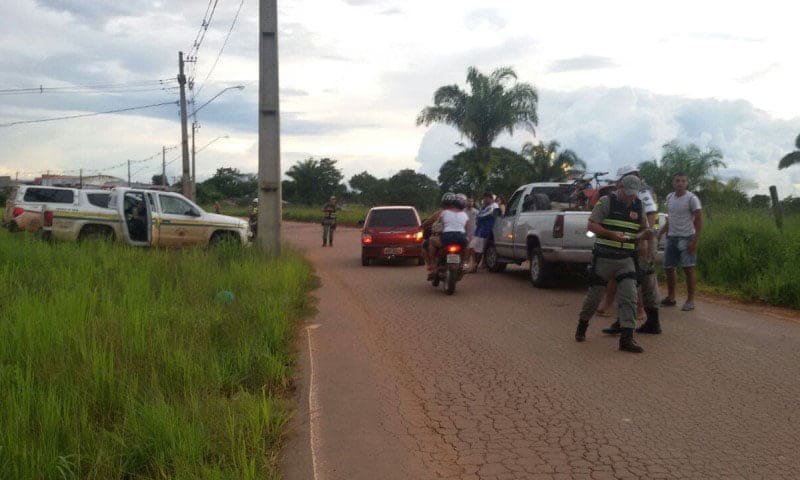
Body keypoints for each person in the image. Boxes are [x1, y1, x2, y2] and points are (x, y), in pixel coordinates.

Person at [574, 175, 648, 353]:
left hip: (626, 259)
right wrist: (611, 234)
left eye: (633, 194)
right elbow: (592, 226)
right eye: (627, 192)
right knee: (594, 297)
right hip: (604, 257)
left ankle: (627, 338)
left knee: (630, 296)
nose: (630, 197)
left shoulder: (639, 205)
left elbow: (643, 228)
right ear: (619, 187)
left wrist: (644, 240)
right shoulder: (606, 202)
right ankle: (582, 325)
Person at [601, 165, 662, 335]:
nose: (620, 183)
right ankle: (647, 321)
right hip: (641, 240)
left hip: (643, 242)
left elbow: (650, 213)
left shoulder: (641, 191)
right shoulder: (637, 191)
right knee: (639, 281)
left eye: (621, 179)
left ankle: (632, 321)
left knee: (634, 281)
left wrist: (643, 239)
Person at [659, 173, 702, 311]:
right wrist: (660, 233)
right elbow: (670, 219)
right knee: (669, 268)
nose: (680, 183)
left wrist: (695, 241)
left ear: (687, 183)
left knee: (688, 269)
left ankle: (690, 300)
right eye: (677, 180)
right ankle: (671, 297)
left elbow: (699, 220)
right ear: (673, 182)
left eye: (683, 181)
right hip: (671, 238)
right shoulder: (670, 197)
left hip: (687, 237)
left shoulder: (692, 199)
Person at [426, 193, 468, 279]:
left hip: (447, 237)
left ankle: (433, 264)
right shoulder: (464, 215)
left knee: (431, 241)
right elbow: (464, 228)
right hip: (461, 238)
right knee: (466, 247)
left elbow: (438, 224)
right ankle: (463, 264)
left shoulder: (444, 213)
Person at [468, 192, 496, 273]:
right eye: (484, 199)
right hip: (479, 230)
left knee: (478, 249)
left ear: (490, 198)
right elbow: (479, 216)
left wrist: (479, 216)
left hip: (485, 231)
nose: (484, 200)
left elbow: (481, 216)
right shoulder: (485, 207)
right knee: (473, 247)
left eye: (485, 198)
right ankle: (475, 264)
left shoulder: (493, 207)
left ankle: (475, 265)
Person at [464, 197, 478, 270]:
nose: (470, 203)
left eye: (471, 201)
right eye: (468, 201)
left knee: (472, 248)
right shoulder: (463, 211)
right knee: (467, 248)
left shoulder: (476, 212)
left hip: (474, 233)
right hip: (465, 233)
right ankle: (466, 262)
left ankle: (474, 263)